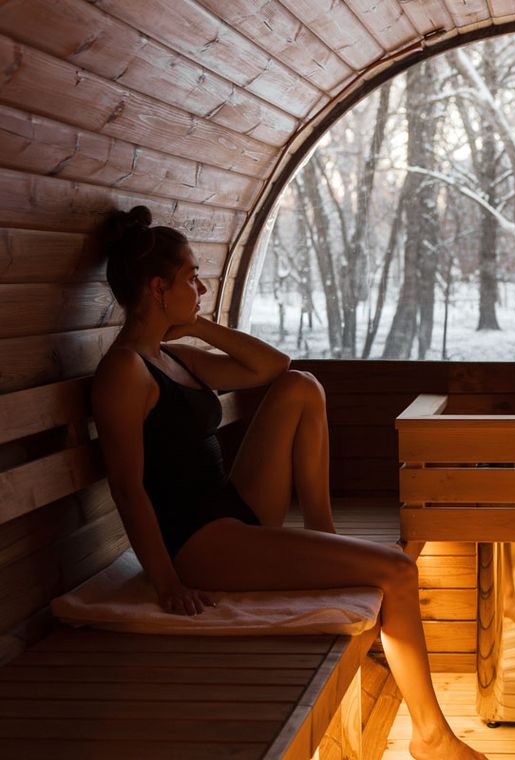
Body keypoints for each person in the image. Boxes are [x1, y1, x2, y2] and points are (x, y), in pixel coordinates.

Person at [91, 206, 485, 760]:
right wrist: (167, 581)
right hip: (201, 545)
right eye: (191, 279)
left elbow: (273, 366)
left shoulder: (173, 356)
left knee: (302, 385)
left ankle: (323, 532)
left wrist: (199, 324)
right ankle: (432, 738)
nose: (201, 289)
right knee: (398, 571)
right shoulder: (123, 372)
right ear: (158, 289)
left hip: (231, 509)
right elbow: (127, 488)